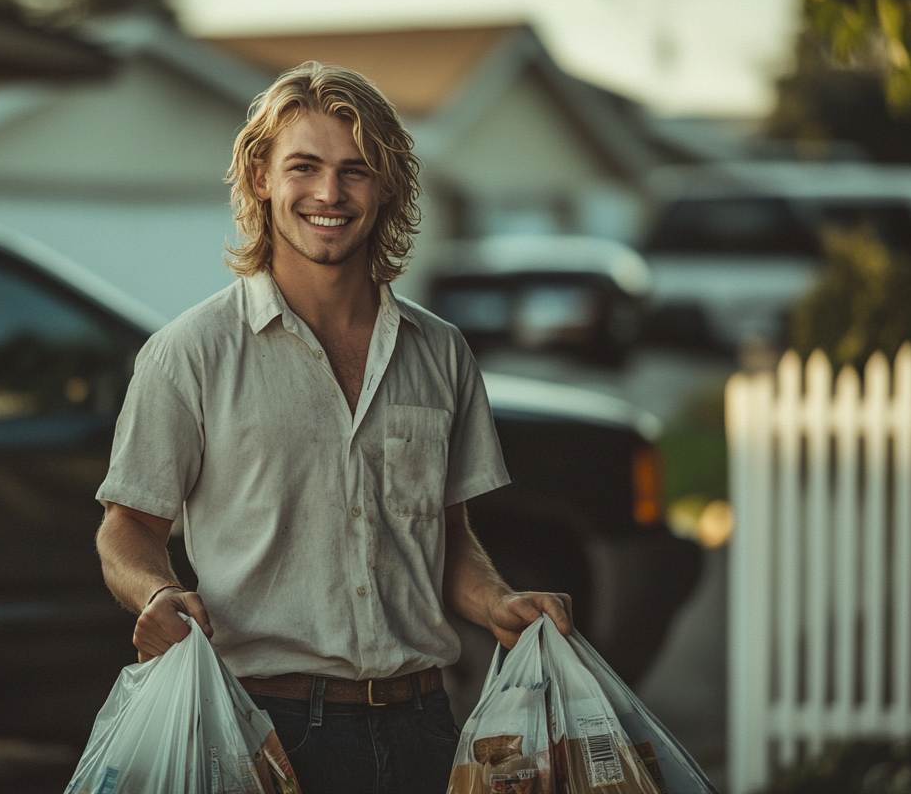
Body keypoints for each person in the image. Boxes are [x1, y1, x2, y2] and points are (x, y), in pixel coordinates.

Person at [94, 61, 572, 793]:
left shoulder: (439, 353)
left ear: (385, 189)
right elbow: (126, 526)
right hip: (267, 731)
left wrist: (497, 602)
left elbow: (445, 534)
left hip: (424, 726)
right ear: (261, 178)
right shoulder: (191, 354)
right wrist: (158, 595)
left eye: (355, 171)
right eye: (304, 167)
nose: (328, 193)